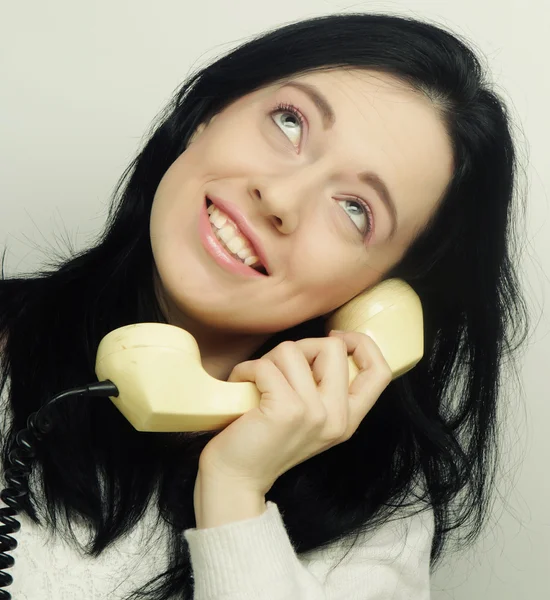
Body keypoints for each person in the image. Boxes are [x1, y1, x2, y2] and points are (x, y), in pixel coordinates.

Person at [0, 12, 528, 600]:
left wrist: (235, 492)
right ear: (209, 113)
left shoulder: (378, 528)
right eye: (289, 122)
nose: (278, 197)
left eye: (355, 208)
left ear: (382, 292)